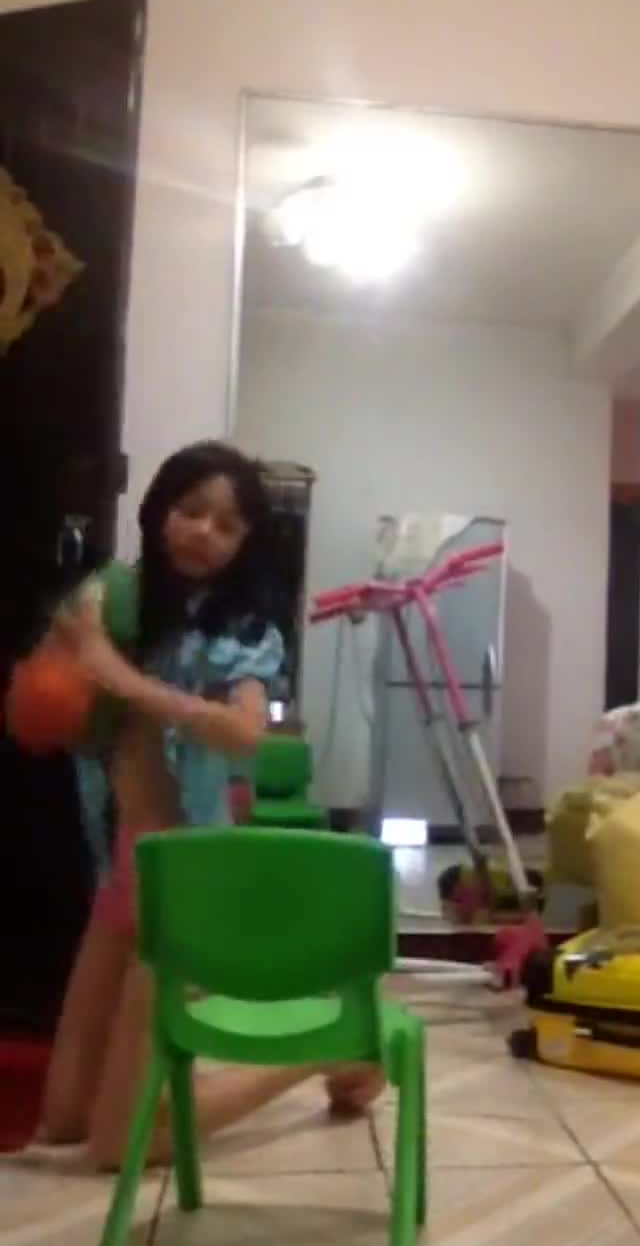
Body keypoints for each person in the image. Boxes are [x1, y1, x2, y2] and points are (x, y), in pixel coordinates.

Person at [33, 441, 383, 1170]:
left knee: (115, 1147)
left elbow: (245, 732)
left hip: (182, 878)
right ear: (159, 509)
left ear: (245, 541)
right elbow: (46, 705)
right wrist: (70, 666)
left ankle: (324, 1051)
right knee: (62, 1122)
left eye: (226, 525)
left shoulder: (242, 633)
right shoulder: (116, 596)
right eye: (191, 511)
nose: (203, 532)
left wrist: (117, 676)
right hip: (118, 867)